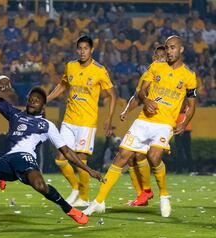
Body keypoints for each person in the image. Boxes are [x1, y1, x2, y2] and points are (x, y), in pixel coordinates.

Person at [0, 75, 104, 225]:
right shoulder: (14, 114)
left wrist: (88, 169)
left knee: (41, 186)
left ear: (43, 106)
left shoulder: (46, 125)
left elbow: (67, 151)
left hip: (25, 159)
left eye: (37, 100)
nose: (32, 102)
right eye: (30, 99)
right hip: (6, 160)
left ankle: (70, 210)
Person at [83, 35, 197, 218]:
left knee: (153, 156)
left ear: (181, 49)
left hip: (165, 123)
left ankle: (164, 195)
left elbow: (192, 105)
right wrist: (147, 99)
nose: (169, 51)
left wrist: (183, 123)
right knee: (122, 156)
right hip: (144, 120)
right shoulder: (155, 67)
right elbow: (141, 91)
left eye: (173, 48)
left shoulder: (189, 76)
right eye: (167, 48)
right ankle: (98, 201)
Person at [47, 36, 117, 207]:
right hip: (69, 120)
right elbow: (63, 85)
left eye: (86, 48)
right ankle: (76, 189)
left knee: (81, 160)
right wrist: (46, 98)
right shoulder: (70, 66)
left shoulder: (99, 70)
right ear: (76, 50)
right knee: (60, 158)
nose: (82, 51)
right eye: (80, 48)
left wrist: (108, 119)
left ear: (92, 50)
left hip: (87, 122)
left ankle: (84, 198)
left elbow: (112, 95)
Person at [119, 45, 167, 206]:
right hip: (146, 121)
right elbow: (137, 96)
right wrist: (126, 111)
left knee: (147, 157)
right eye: (156, 55)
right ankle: (143, 194)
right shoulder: (148, 74)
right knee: (133, 156)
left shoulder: (171, 75)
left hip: (162, 123)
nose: (158, 58)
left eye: (162, 56)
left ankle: (157, 194)